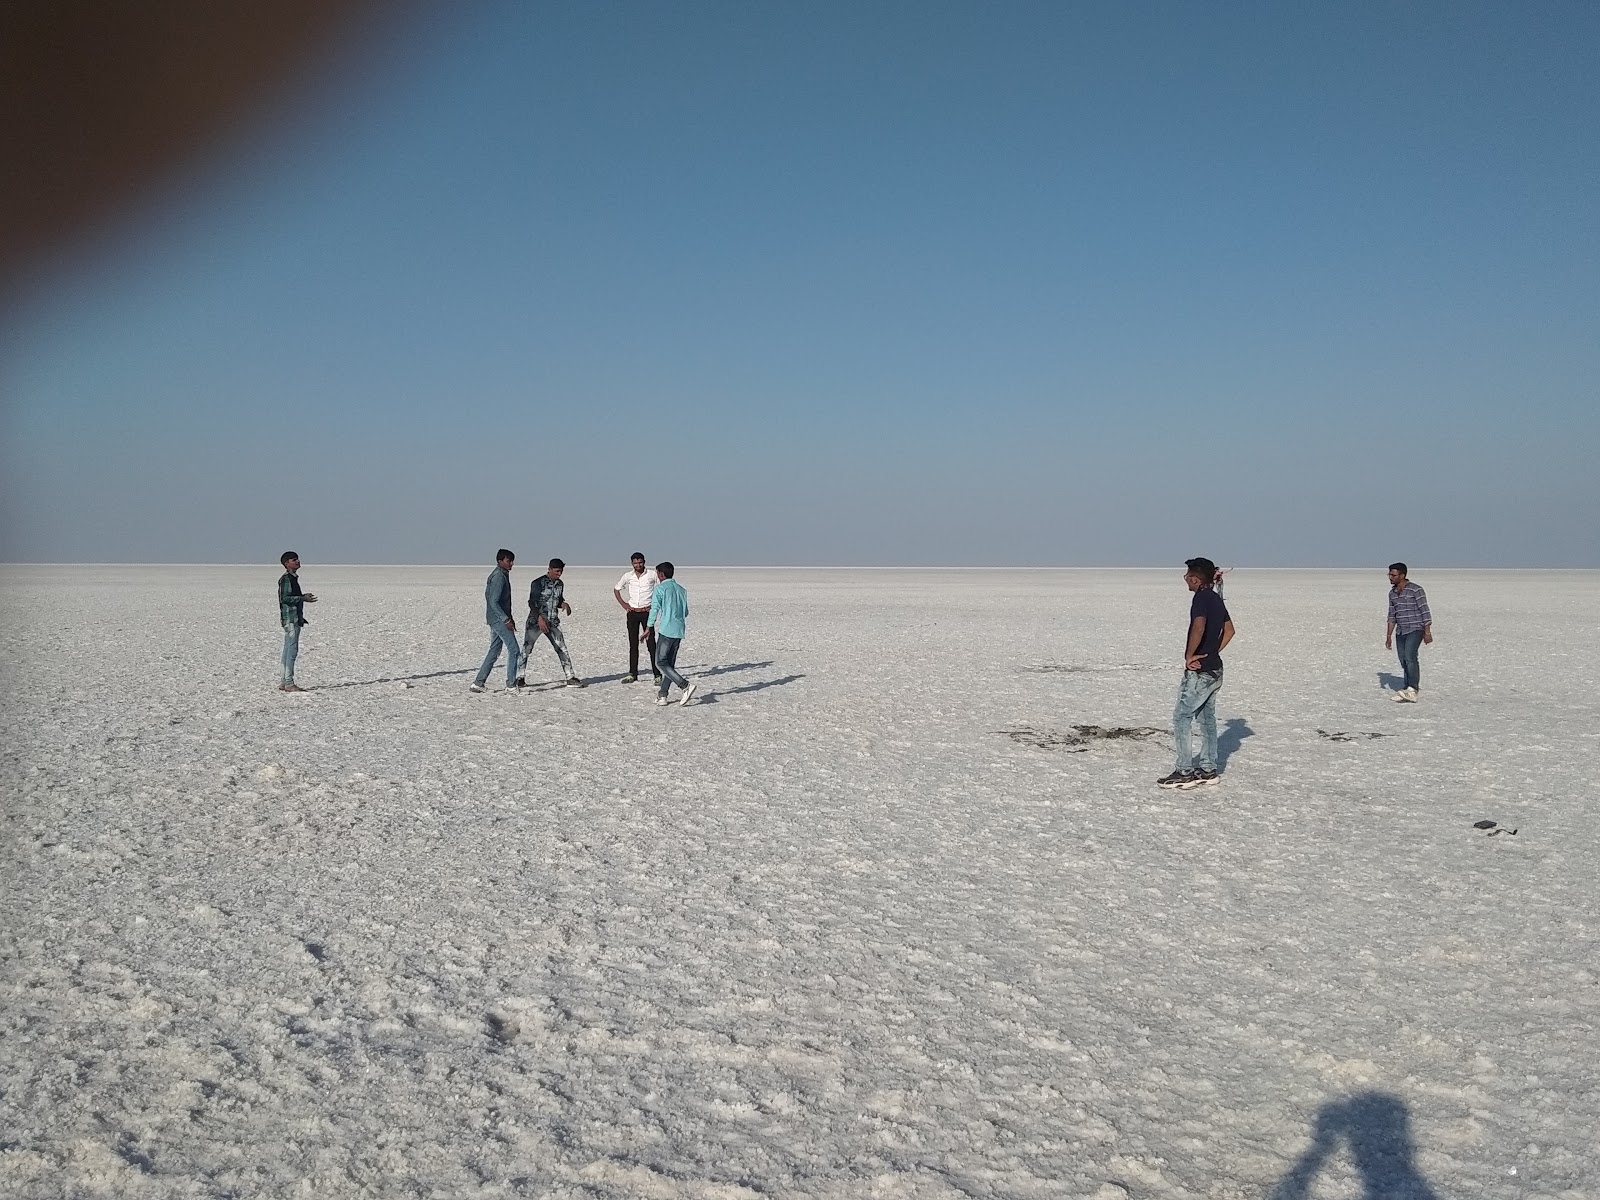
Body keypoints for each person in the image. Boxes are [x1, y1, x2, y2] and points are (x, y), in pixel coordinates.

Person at [1158, 557, 1235, 790]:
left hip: (1200, 672)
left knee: (1182, 717)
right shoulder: (1215, 599)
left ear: (1194, 578)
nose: (1185, 580)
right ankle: (1209, 769)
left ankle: (1184, 771)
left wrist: (1190, 655)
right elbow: (1230, 631)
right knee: (1206, 718)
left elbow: (1199, 625)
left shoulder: (1201, 599)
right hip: (1215, 668)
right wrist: (1212, 651)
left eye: (1186, 576)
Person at [517, 558, 584, 687]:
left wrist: (564, 604)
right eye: (557, 571)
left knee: (562, 648)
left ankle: (570, 677)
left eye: (561, 571)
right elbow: (532, 602)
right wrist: (539, 619)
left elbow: (557, 599)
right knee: (526, 648)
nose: (559, 574)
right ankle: (519, 677)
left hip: (553, 621)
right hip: (536, 622)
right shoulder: (538, 583)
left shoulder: (560, 584)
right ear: (550, 569)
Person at [645, 561, 696, 706]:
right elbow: (685, 612)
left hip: (667, 630)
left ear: (661, 574)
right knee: (669, 665)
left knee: (660, 662)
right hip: (679, 630)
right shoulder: (681, 590)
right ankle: (663, 695)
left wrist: (648, 627)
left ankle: (685, 685)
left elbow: (654, 609)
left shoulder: (660, 589)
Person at [470, 549, 521, 693]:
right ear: (500, 561)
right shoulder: (499, 576)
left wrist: (510, 618)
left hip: (497, 618)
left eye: (512, 561)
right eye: (508, 561)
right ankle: (511, 685)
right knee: (514, 650)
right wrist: (505, 619)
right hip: (498, 619)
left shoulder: (502, 575)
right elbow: (493, 601)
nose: (511, 564)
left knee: (494, 651)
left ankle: (478, 683)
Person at [1385, 562, 1433, 702]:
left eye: (1393, 575)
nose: (1390, 577)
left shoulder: (1415, 590)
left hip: (1415, 629)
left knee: (1410, 657)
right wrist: (1388, 636)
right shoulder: (1392, 593)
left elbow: (1425, 611)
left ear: (1402, 575)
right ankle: (1407, 687)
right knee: (1403, 659)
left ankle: (1413, 688)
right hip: (1401, 631)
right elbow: (1391, 615)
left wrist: (1427, 632)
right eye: (1389, 574)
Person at [614, 552, 660, 684]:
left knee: (651, 644)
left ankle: (657, 674)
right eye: (635, 563)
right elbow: (616, 589)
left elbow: (661, 587)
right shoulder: (628, 576)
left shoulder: (652, 575)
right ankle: (632, 673)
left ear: (644, 562)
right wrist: (624, 604)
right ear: (632, 563)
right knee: (633, 644)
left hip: (647, 612)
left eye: (640, 562)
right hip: (633, 613)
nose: (638, 565)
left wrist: (655, 604)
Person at [276, 551, 318, 692]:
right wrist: (302, 598)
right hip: (291, 619)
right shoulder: (287, 579)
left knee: (287, 649)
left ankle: (284, 681)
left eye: (297, 559)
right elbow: (285, 598)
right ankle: (289, 682)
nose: (298, 561)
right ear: (287, 563)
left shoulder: (292, 578)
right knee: (291, 650)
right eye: (294, 560)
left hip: (293, 618)